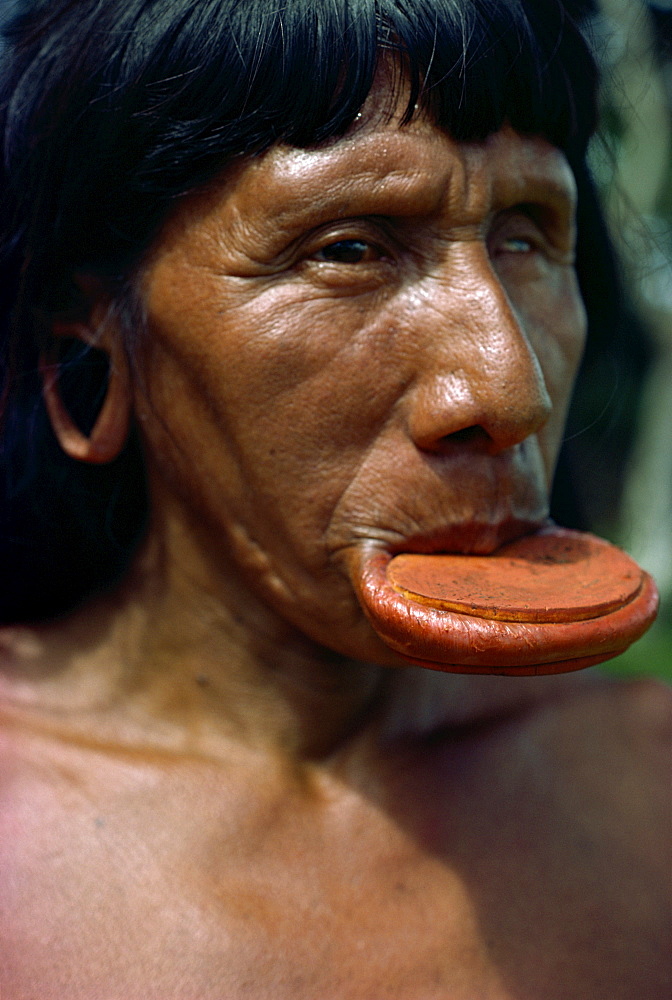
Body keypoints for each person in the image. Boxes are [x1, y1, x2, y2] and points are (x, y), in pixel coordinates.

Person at [0, 1, 669, 997]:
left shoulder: (647, 785)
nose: (507, 388)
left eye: (527, 233)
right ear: (83, 357)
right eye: (350, 249)